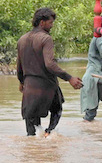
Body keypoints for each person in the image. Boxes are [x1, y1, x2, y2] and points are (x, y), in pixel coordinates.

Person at [16, 7, 83, 137]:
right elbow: (50, 64)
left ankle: (33, 150)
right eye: (50, 23)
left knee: (31, 128)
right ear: (42, 23)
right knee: (57, 110)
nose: (52, 26)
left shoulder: (21, 40)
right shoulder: (46, 39)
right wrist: (69, 78)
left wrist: (21, 82)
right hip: (46, 85)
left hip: (29, 87)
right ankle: (48, 133)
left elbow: (19, 66)